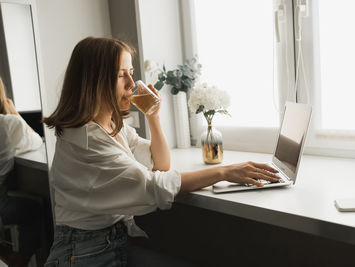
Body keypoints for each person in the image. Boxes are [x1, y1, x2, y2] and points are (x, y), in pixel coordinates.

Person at [43, 36, 279, 267]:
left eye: (131, 73)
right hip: (83, 254)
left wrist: (153, 117)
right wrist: (223, 172)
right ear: (94, 81)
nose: (131, 85)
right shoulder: (88, 139)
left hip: (109, 243)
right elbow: (151, 184)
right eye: (120, 75)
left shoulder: (111, 126)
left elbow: (160, 164)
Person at [0, 77, 44, 266]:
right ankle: (20, 258)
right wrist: (14, 112)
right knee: (34, 207)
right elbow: (36, 141)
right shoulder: (8, 123)